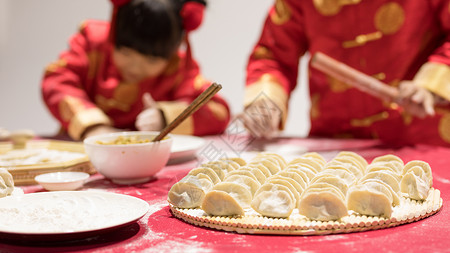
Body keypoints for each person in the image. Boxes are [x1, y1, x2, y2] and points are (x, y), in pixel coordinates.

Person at [241, 0, 450, 147]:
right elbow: (273, 54)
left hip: (423, 141)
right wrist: (267, 100)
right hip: (335, 143)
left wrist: (431, 84)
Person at [41, 0, 230, 141]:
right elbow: (56, 81)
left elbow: (218, 110)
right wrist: (94, 127)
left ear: (176, 47)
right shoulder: (93, 43)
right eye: (125, 52)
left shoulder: (178, 67)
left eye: (151, 59)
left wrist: (165, 117)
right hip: (85, 151)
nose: (135, 67)